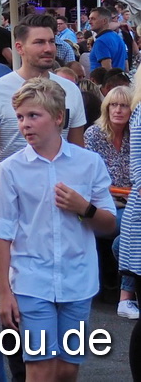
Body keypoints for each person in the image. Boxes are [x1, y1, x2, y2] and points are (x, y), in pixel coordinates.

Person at [0, 77, 117, 382]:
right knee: (40, 369)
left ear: (59, 117)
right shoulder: (11, 168)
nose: (25, 125)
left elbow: (110, 223)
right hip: (32, 281)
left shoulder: (89, 163)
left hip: (78, 280)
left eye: (34, 116)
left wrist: (83, 207)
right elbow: (1, 233)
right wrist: (4, 293)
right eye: (20, 118)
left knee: (66, 370)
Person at [0, 14, 87, 165]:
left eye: (51, 41)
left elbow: (77, 152)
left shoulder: (70, 90)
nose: (48, 49)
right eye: (39, 42)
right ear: (19, 48)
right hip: (12, 184)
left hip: (60, 184)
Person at [86, 85, 134, 318]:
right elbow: (91, 180)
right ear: (106, 108)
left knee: (132, 224)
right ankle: (126, 295)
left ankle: (125, 293)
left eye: (124, 105)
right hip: (102, 203)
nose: (118, 110)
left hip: (129, 204)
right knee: (133, 225)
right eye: (113, 105)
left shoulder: (135, 135)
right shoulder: (94, 135)